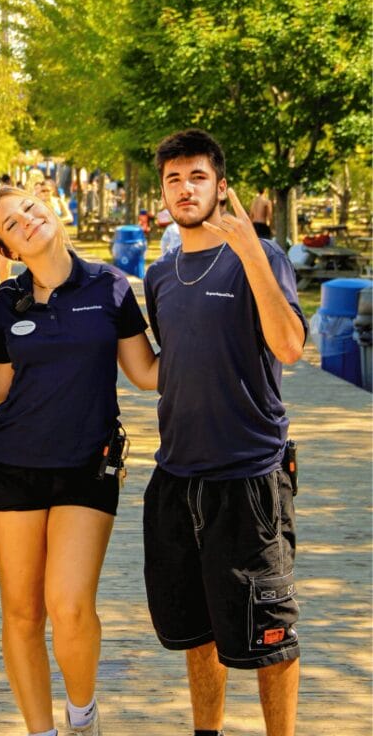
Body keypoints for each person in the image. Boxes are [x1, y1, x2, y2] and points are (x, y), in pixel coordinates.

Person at [142, 129, 307, 736]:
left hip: (250, 480)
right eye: (174, 179)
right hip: (179, 477)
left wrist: (253, 257)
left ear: (221, 187)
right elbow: (164, 366)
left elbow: (288, 346)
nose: (185, 189)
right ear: (163, 192)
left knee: (268, 634)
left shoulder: (266, 260)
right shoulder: (160, 276)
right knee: (197, 630)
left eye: (198, 177)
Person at [0, 186, 159, 736]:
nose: (25, 221)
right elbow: (1, 387)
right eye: (10, 224)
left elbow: (147, 372)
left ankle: (82, 717)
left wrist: (218, 344)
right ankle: (42, 731)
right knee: (24, 613)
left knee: (70, 604)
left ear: (50, 211)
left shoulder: (108, 284)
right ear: (6, 248)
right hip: (11, 466)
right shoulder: (5, 304)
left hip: (88, 465)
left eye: (29, 209)